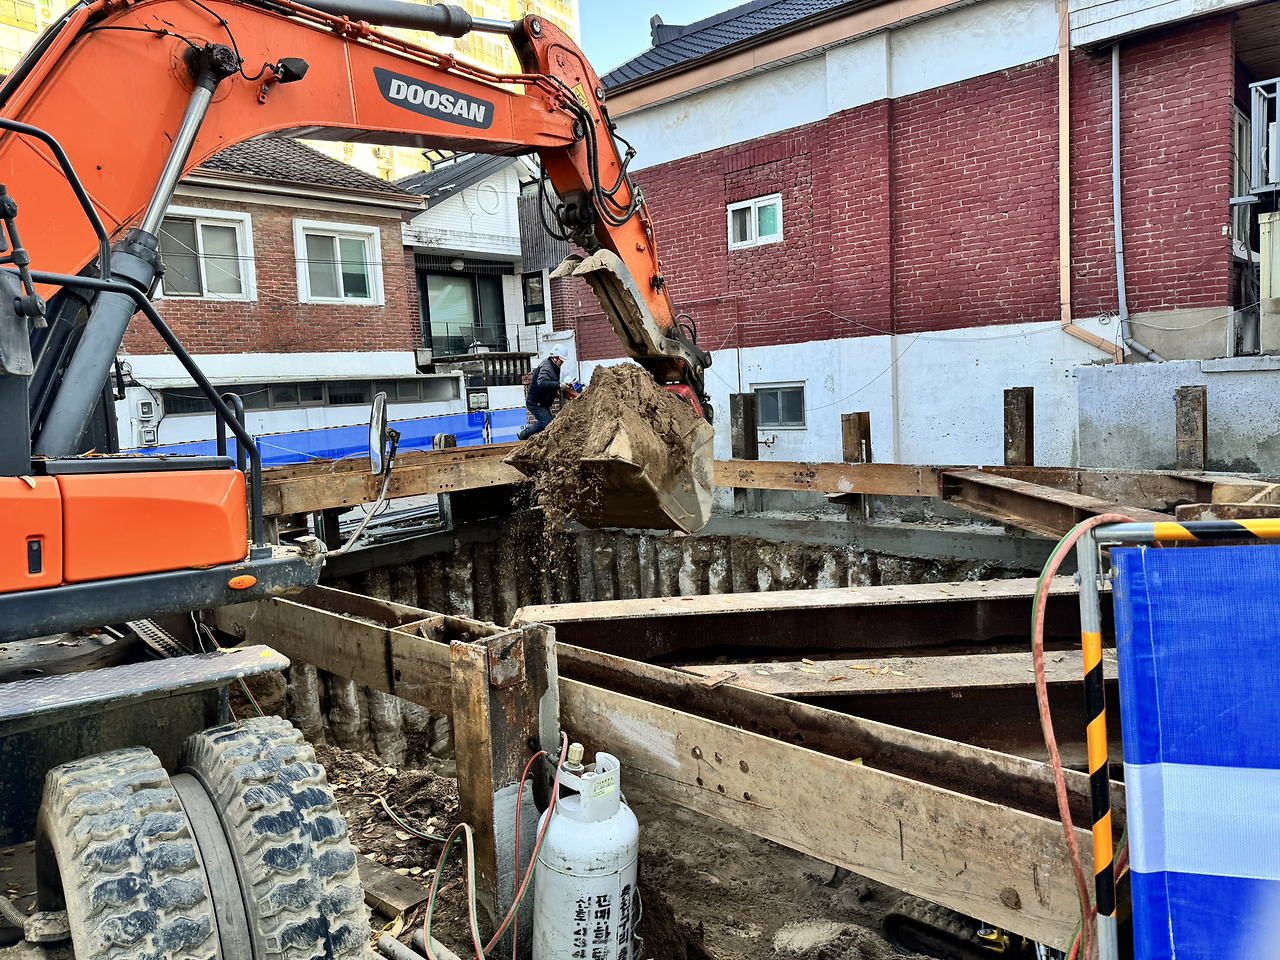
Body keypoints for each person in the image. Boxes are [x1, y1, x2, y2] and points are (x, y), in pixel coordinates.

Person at [518, 345, 580, 440]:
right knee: (549, 424)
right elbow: (542, 383)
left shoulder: (554, 367)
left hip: (542, 402)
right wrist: (559, 385)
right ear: (555, 358)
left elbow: (549, 385)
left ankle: (527, 435)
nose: (562, 363)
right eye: (561, 360)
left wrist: (557, 391)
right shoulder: (546, 367)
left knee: (549, 423)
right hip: (536, 403)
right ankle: (524, 434)